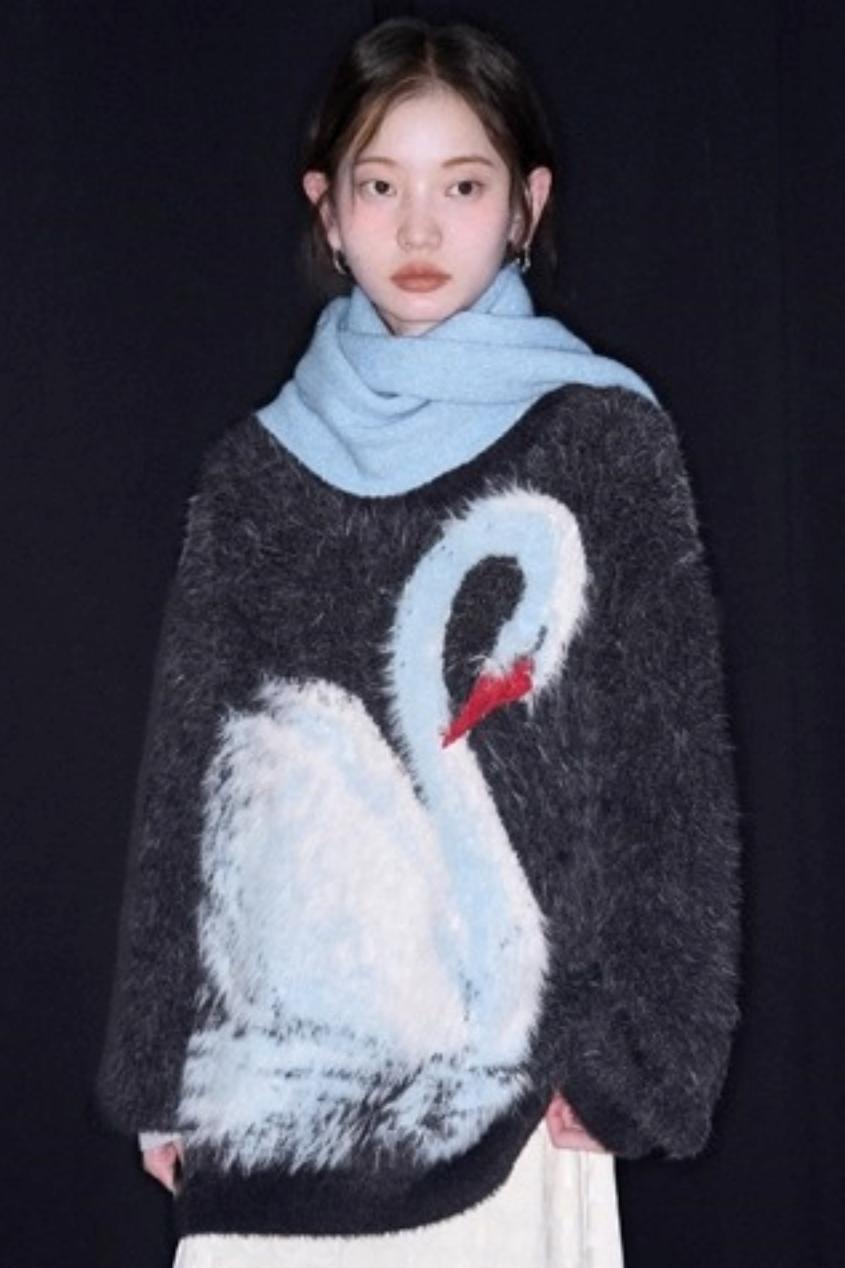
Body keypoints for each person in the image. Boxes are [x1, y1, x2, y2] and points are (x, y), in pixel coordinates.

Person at [97, 16, 742, 1268]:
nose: (418, 228)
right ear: (328, 210)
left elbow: (667, 772)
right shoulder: (253, 476)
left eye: (462, 186)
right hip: (276, 1132)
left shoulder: (601, 445)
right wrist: (161, 1072)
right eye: (381, 186)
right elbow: (188, 784)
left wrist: (647, 1058)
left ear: (525, 205)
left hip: (516, 1116)